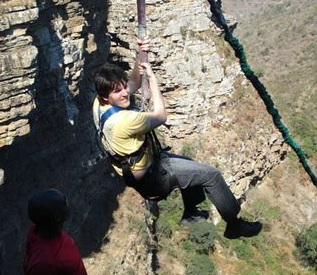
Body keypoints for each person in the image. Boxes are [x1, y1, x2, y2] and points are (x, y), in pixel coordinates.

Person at [92, 39, 262, 239]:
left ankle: (190, 213)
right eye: (118, 91)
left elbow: (134, 83)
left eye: (122, 87)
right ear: (106, 96)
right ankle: (234, 225)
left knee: (190, 166)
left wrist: (140, 55)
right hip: (153, 178)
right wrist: (153, 81)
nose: (124, 93)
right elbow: (161, 116)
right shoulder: (123, 121)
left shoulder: (99, 104)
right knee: (211, 175)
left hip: (141, 169)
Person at [24, 188, 101, 275]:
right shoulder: (44, 263)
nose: (68, 203)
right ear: (57, 217)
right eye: (65, 202)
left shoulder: (40, 231)